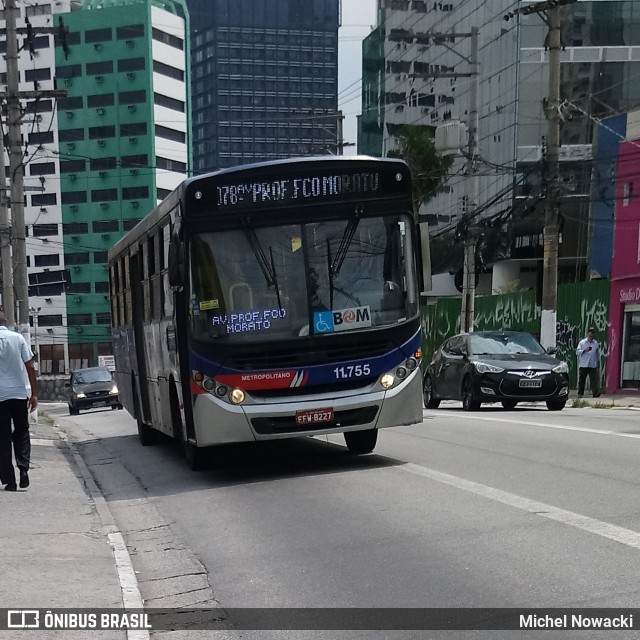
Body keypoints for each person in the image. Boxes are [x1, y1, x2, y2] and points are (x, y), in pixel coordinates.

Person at [0, 311, 38, 491]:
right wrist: (34, 394)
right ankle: (23, 469)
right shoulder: (18, 338)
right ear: (5, 321)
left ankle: (10, 481)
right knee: (22, 432)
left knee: (3, 438)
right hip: (18, 395)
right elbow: (30, 366)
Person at [576, 328, 601, 398]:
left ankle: (595, 393)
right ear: (587, 335)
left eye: (592, 336)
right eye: (590, 336)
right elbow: (577, 352)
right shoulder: (582, 343)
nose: (591, 338)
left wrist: (597, 361)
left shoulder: (595, 343)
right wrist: (584, 350)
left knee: (593, 379)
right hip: (584, 364)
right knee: (582, 380)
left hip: (592, 364)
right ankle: (580, 393)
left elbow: (597, 353)